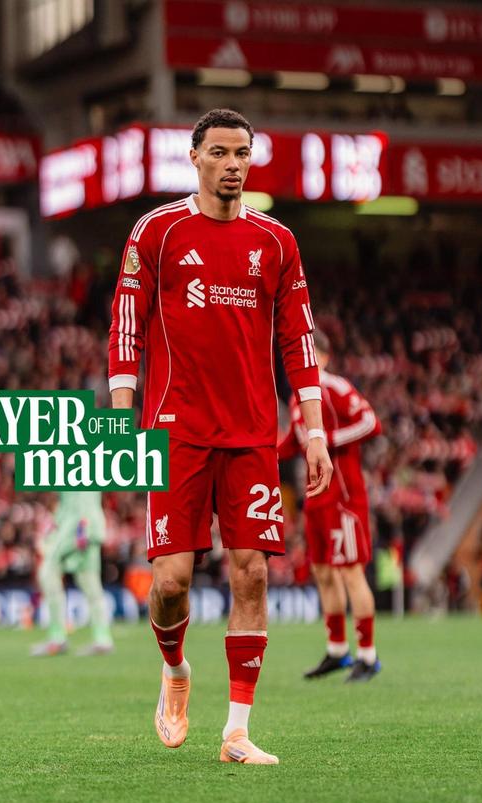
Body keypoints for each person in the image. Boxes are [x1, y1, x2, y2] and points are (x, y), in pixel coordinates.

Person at [108, 108, 332, 764]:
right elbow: (126, 327)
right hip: (174, 430)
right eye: (220, 152)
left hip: (251, 434)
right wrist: (121, 418)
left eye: (241, 153)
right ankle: (175, 669)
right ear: (195, 158)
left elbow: (299, 339)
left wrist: (313, 430)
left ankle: (236, 730)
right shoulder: (157, 231)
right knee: (171, 580)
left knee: (252, 571)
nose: (232, 164)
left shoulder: (277, 242)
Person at [278, 330, 382, 682]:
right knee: (323, 572)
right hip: (315, 499)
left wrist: (327, 440)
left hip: (344, 498)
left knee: (351, 572)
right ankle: (338, 650)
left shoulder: (333, 386)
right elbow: (295, 443)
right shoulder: (298, 397)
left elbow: (371, 422)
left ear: (322, 355)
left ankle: (368, 655)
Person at [30, 491, 114, 657]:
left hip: (76, 529)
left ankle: (57, 638)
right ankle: (102, 639)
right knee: (90, 584)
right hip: (87, 527)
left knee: (48, 572)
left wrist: (81, 531)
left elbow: (80, 503)